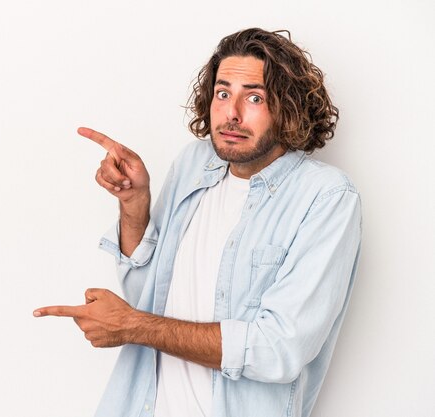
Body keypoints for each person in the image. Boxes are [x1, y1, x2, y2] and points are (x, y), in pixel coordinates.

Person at [34, 28, 361, 417]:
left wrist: (133, 326)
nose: (232, 113)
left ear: (287, 107)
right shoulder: (194, 163)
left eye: (254, 97)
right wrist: (135, 204)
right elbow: (149, 296)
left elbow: (278, 349)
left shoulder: (326, 197)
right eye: (223, 93)